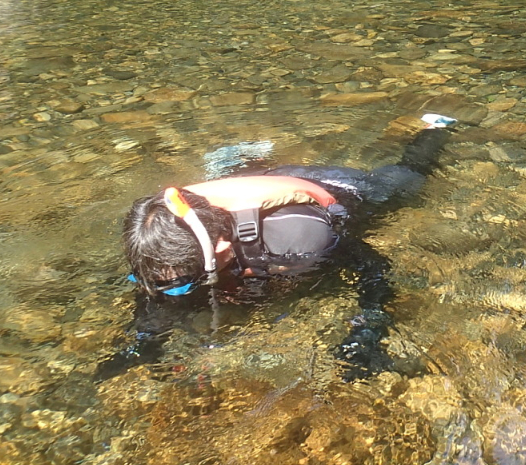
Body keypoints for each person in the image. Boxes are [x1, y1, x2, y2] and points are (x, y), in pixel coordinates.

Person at [97, 114, 457, 381]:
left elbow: (372, 268)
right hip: (255, 190)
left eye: (181, 283)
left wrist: (367, 332)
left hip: (336, 188)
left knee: (411, 180)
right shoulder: (160, 233)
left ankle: (437, 127)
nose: (169, 290)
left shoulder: (298, 241)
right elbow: (157, 288)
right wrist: (145, 341)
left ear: (220, 248)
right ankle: (245, 160)